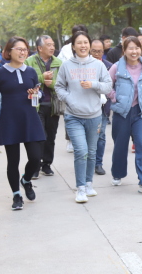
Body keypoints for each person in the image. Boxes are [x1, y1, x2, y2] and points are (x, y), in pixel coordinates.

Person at [0, 36, 46, 211]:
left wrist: (36, 94)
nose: (23, 52)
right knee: (13, 161)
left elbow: (39, 95)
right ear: (9, 51)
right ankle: (16, 195)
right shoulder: (0, 73)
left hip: (29, 119)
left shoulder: (31, 72)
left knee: (35, 158)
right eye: (19, 49)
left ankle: (25, 180)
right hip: (10, 120)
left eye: (25, 49)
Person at [55, 31, 113, 203]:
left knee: (92, 152)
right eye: (79, 43)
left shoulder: (98, 65)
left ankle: (88, 184)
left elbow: (108, 86)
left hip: (94, 116)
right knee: (81, 151)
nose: (83, 46)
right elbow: (59, 87)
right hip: (73, 115)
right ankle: (80, 188)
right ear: (73, 46)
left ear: (89, 45)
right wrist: (69, 99)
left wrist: (93, 84)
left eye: (85, 42)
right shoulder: (66, 66)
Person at [108, 36, 142, 195]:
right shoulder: (116, 67)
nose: (134, 51)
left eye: (137, 48)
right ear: (124, 50)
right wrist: (115, 97)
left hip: (141, 112)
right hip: (122, 112)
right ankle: (117, 173)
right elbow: (107, 85)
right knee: (120, 146)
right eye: (130, 48)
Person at [25, 35, 62, 178]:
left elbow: (63, 83)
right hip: (36, 105)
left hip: (53, 105)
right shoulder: (29, 61)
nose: (52, 47)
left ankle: (47, 164)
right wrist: (42, 78)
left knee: (51, 137)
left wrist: (51, 83)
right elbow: (27, 81)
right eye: (48, 45)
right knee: (39, 136)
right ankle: (35, 165)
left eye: (53, 44)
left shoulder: (58, 62)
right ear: (40, 48)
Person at [58, 24, 89, 153]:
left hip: (87, 87)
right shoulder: (66, 49)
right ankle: (70, 140)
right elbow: (59, 64)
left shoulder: (88, 46)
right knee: (71, 113)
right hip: (71, 86)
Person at [90, 39, 113, 175]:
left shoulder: (109, 66)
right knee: (88, 136)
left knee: (101, 135)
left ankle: (98, 163)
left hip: (103, 107)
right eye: (94, 51)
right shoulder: (83, 66)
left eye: (99, 51)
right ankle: (88, 161)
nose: (96, 54)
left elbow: (113, 86)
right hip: (86, 107)